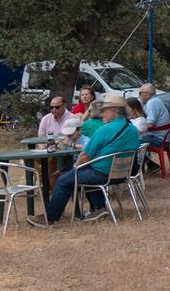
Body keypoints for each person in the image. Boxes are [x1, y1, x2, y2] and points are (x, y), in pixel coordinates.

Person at [45, 94, 142, 223]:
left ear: (113, 111)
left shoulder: (105, 130)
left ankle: (50, 218)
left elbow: (85, 155)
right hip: (123, 173)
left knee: (63, 180)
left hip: (103, 174)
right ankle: (99, 209)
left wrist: (75, 168)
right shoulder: (132, 129)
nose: (102, 115)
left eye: (105, 111)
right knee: (85, 173)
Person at [138, 83, 170, 149]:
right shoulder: (152, 101)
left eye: (140, 93)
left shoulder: (153, 102)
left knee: (132, 140)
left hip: (160, 140)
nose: (139, 95)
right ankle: (144, 159)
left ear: (147, 95)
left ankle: (143, 159)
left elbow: (150, 124)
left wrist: (135, 129)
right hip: (159, 137)